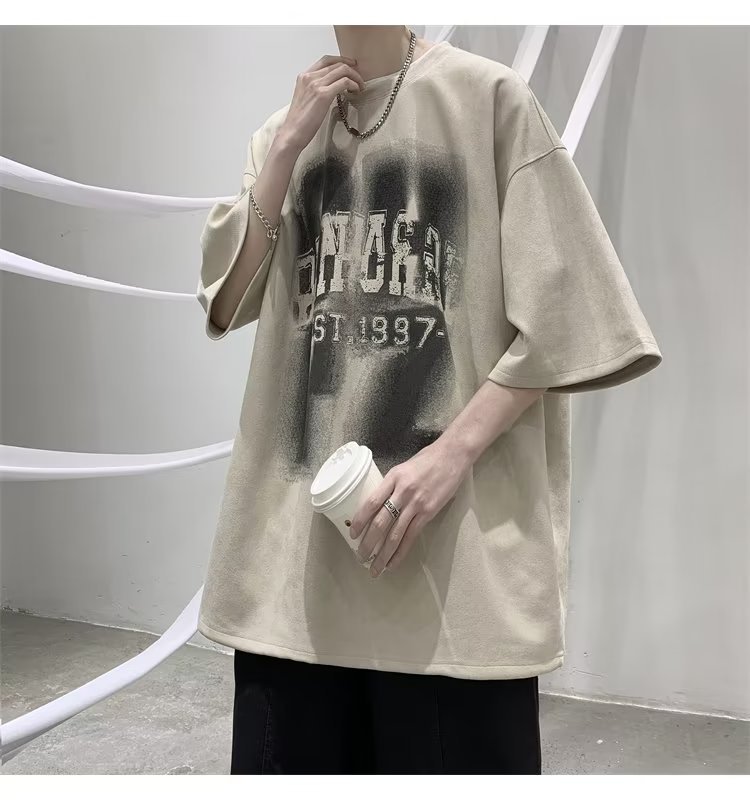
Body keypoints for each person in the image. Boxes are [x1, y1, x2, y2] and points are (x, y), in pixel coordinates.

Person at [195, 25, 663, 774]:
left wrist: (451, 455)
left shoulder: (489, 100)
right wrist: (285, 149)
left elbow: (570, 315)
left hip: (451, 565)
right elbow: (226, 299)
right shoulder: (285, 130)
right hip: (297, 574)